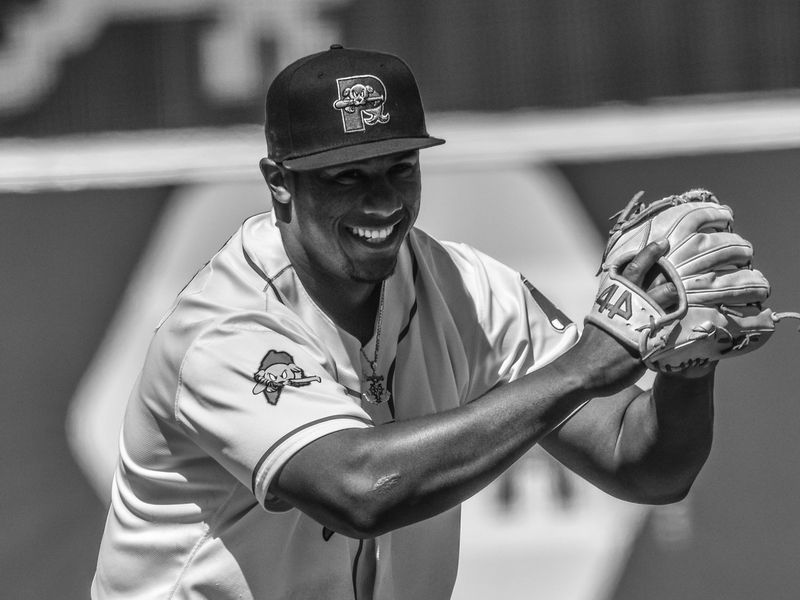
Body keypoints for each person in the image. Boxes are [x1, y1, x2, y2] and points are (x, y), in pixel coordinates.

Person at [92, 45, 715, 600]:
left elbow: (642, 465)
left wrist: (687, 368)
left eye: (400, 168)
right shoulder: (223, 326)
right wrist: (583, 367)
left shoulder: (468, 289)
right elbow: (361, 490)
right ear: (279, 183)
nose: (383, 201)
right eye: (347, 175)